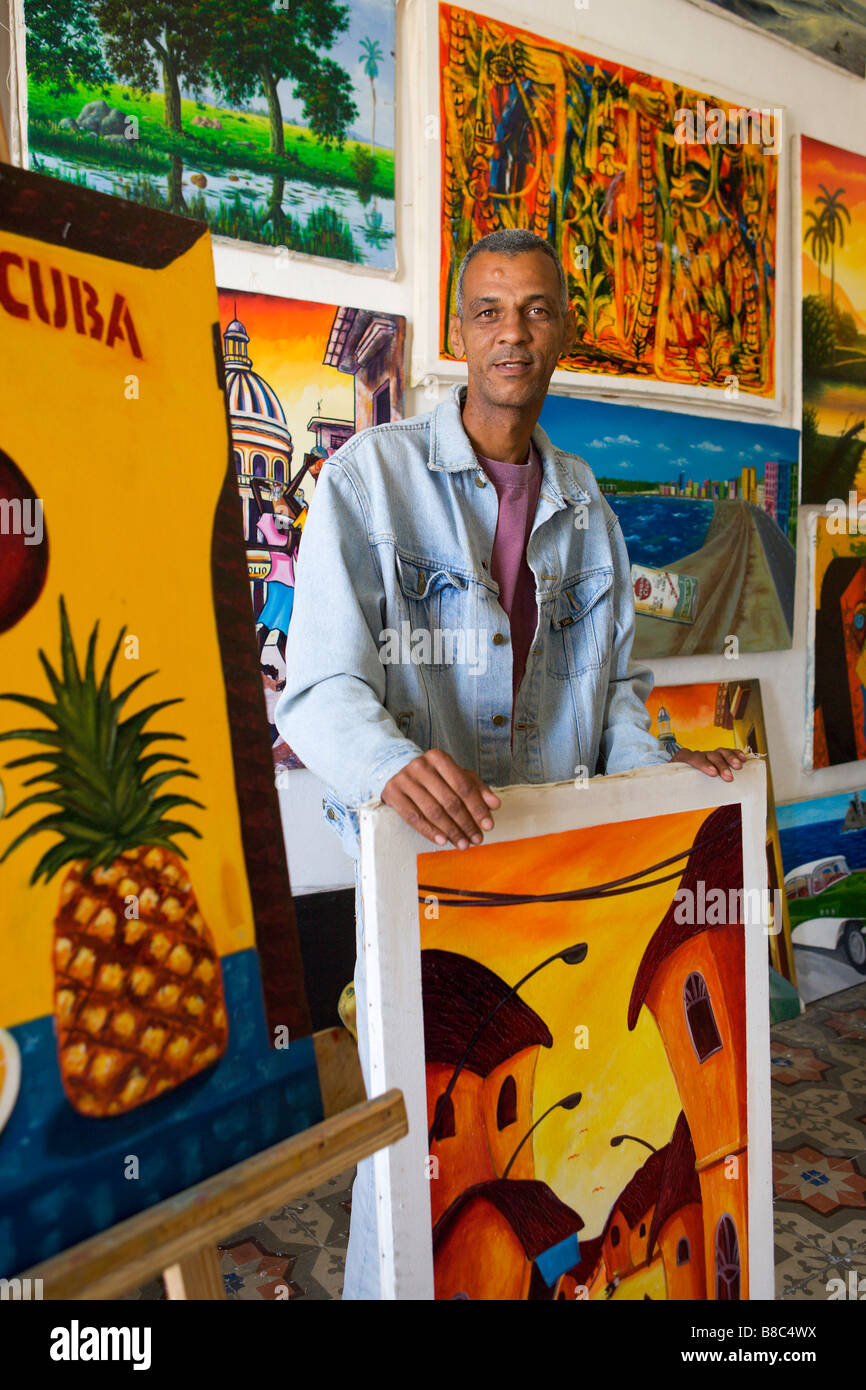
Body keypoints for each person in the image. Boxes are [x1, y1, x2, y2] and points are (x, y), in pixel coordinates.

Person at [274, 228, 745, 1299]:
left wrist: (665, 784)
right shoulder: (368, 481)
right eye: (488, 310)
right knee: (410, 1154)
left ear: (561, 332)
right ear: (455, 331)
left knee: (534, 1159)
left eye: (534, 310)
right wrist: (392, 764)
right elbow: (317, 689)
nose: (511, 334)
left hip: (558, 894)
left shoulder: (589, 507)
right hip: (424, 888)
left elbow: (615, 698)